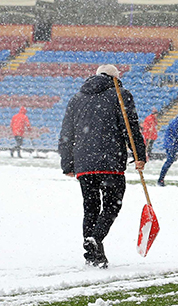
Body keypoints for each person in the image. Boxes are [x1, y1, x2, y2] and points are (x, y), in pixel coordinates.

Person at [58, 64, 146, 268]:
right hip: (111, 161)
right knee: (112, 206)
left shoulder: (76, 98)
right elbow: (130, 128)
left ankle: (93, 255)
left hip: (84, 163)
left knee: (90, 208)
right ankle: (96, 239)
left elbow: (67, 133)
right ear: (115, 78)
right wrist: (139, 155)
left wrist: (67, 163)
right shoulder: (120, 95)